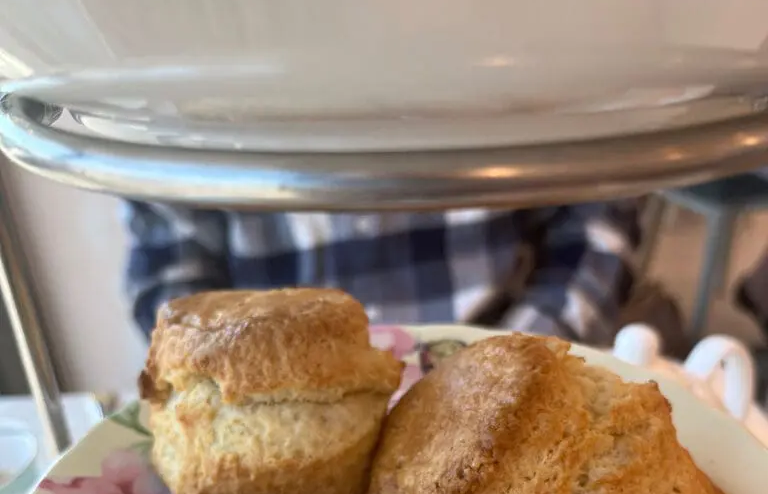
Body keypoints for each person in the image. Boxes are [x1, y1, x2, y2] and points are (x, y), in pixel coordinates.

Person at [123, 201, 645, 344]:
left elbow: (596, 227)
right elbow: (171, 259)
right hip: (258, 368)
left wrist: (522, 359)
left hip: (498, 334)